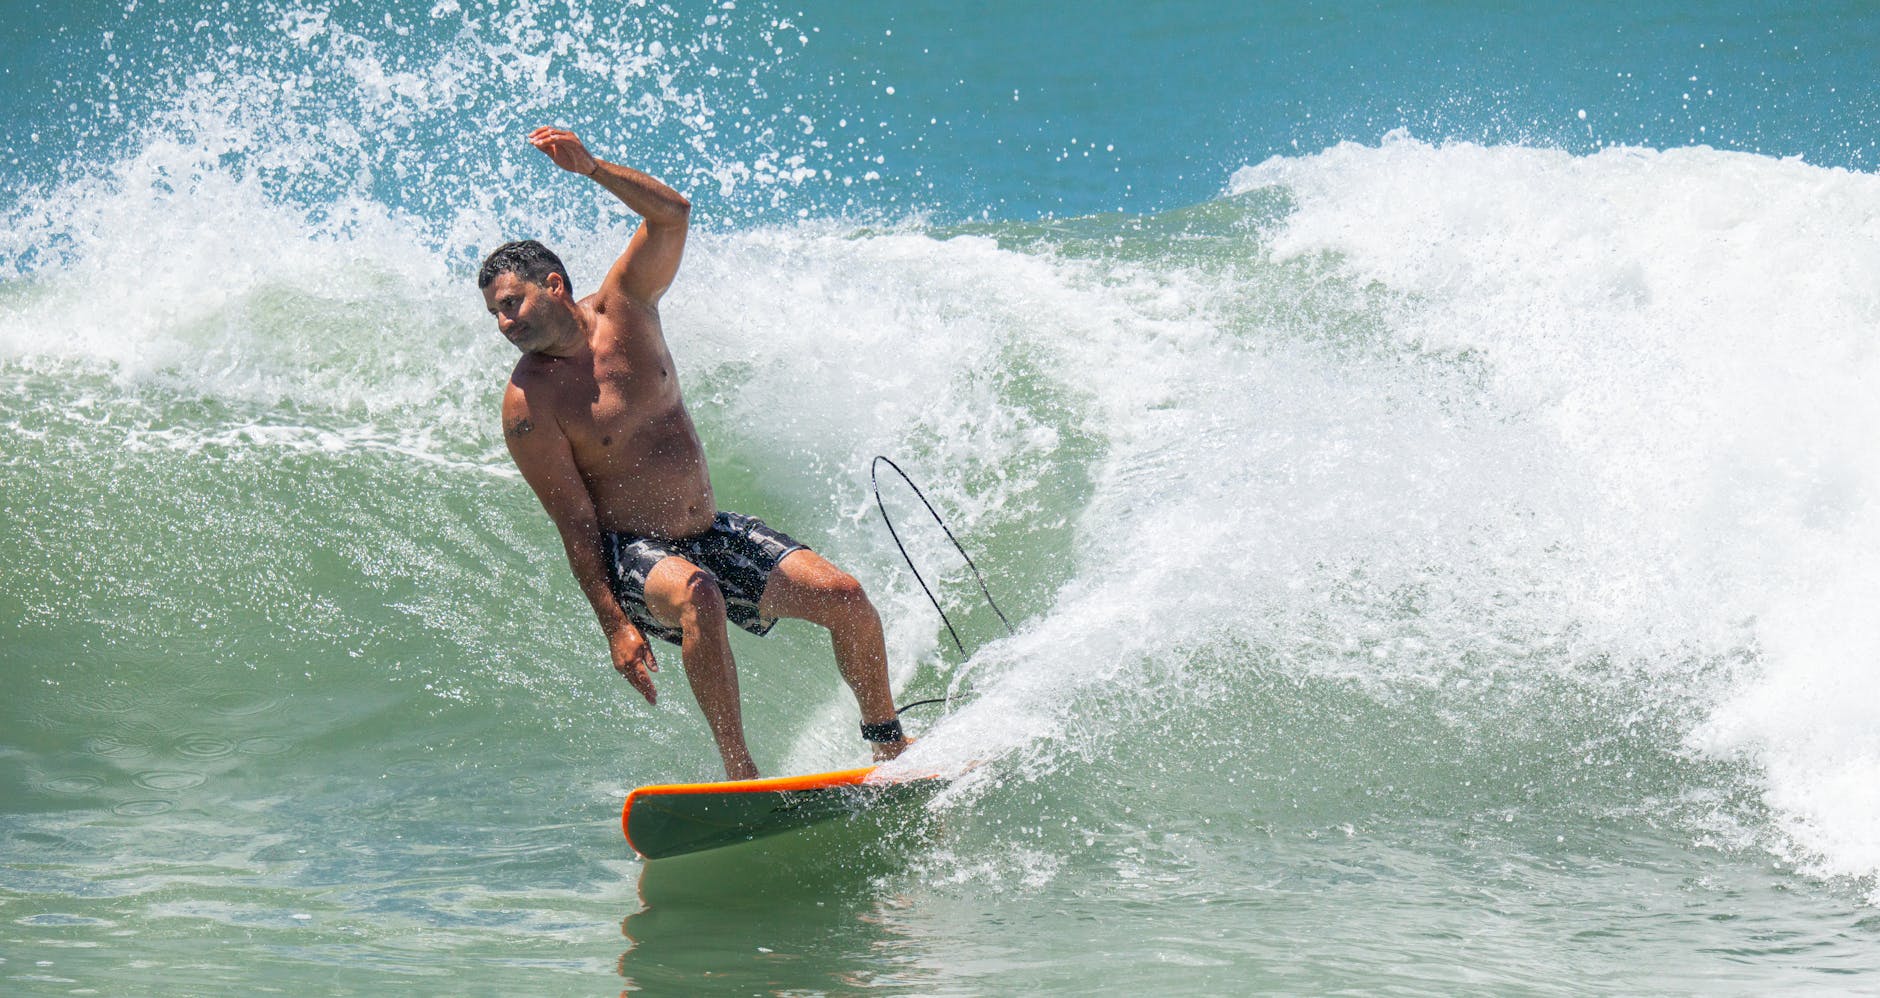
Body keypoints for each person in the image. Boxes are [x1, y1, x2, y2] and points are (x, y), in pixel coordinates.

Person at [479, 126, 908, 780]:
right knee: (699, 592)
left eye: (513, 304)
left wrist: (591, 167)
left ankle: (889, 746)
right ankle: (741, 774)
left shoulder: (627, 307)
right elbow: (574, 523)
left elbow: (672, 214)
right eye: (496, 316)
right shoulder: (528, 407)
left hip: (706, 530)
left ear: (555, 285)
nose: (506, 324)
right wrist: (614, 628)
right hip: (634, 555)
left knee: (846, 597)